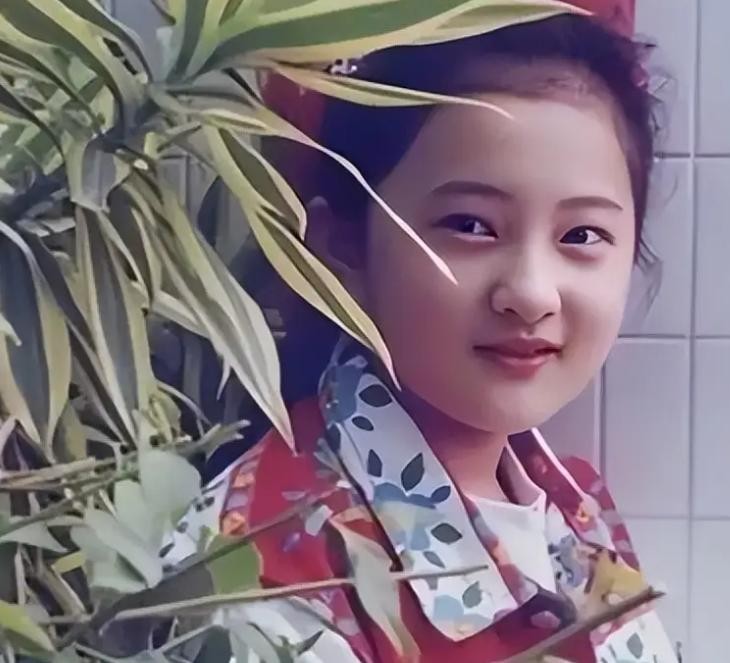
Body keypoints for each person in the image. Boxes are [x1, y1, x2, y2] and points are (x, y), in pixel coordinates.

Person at [168, 1, 675, 660]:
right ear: (344, 247)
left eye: (582, 235)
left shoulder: (575, 506)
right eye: (471, 225)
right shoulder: (269, 569)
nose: (531, 292)